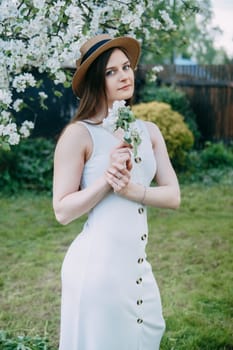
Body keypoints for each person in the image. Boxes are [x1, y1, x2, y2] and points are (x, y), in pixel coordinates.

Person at [53, 33, 180, 350]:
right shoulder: (79, 135)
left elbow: (173, 196)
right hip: (97, 273)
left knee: (148, 334)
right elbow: (63, 211)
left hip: (137, 268)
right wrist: (106, 181)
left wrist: (133, 190)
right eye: (111, 71)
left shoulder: (148, 131)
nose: (124, 75)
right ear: (97, 80)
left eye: (126, 67)